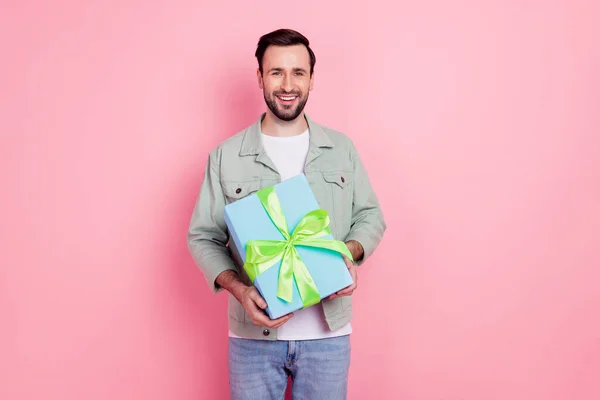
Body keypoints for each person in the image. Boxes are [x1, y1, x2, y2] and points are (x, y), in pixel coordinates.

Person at [187, 28, 386, 400]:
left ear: (312, 78)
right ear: (260, 77)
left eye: (298, 72)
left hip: (328, 337)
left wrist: (349, 252)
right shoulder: (226, 156)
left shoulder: (341, 149)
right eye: (276, 72)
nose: (287, 84)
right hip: (252, 340)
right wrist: (240, 289)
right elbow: (203, 236)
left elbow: (371, 216)